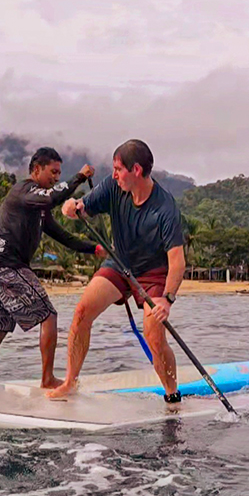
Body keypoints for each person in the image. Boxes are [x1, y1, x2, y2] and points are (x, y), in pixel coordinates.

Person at [47, 139, 185, 402]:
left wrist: (167, 300)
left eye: (118, 169)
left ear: (135, 170)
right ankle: (69, 383)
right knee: (81, 312)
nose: (114, 175)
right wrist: (71, 207)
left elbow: (177, 261)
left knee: (154, 335)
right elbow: (82, 209)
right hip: (119, 263)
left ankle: (172, 395)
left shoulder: (166, 209)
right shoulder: (113, 187)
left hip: (153, 274)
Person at [0, 147, 104, 387]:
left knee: (1, 326)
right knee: (48, 315)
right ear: (36, 170)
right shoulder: (24, 191)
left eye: (59, 173)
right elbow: (53, 197)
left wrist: (93, 249)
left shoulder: (39, 208)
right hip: (6, 265)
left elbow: (63, 237)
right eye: (53, 172)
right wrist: (79, 177)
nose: (56, 177)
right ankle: (47, 379)